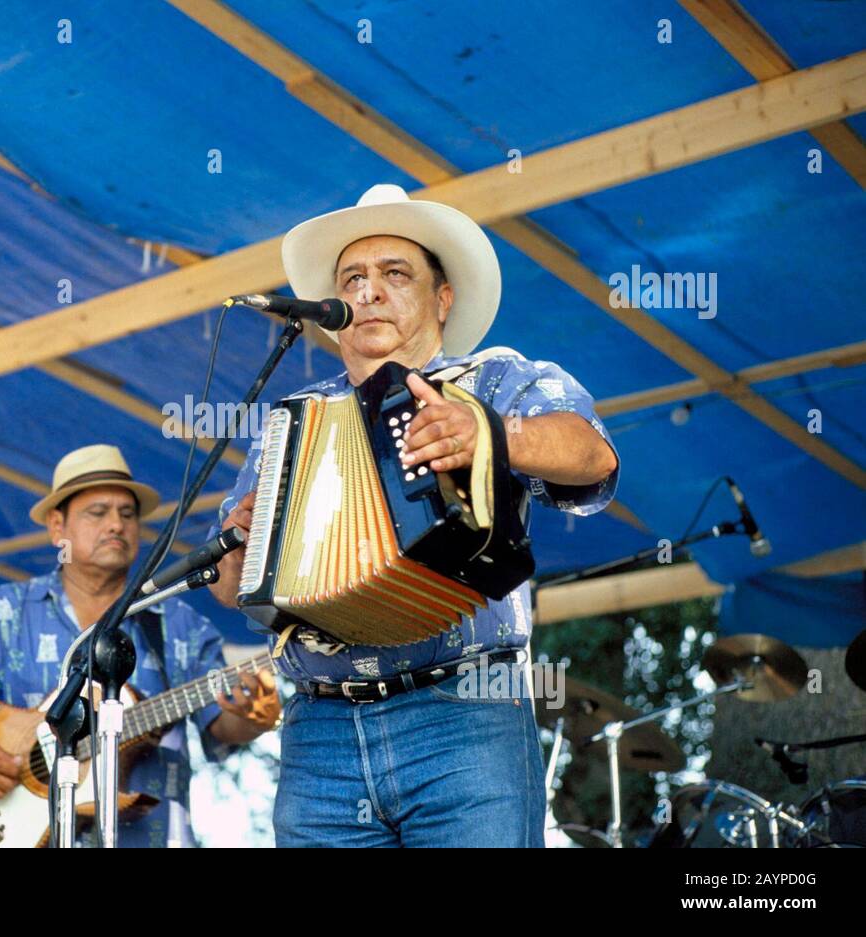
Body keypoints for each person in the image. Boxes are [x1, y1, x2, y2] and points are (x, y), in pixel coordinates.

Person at [210, 184, 620, 847]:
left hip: (464, 716)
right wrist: (242, 544)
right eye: (353, 278)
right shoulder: (292, 422)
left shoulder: (491, 377)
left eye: (394, 273)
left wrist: (490, 433)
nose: (369, 291)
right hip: (318, 734)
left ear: (443, 297)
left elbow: (592, 454)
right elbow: (232, 587)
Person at [0, 444, 280, 847]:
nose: (116, 525)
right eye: (98, 513)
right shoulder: (8, 611)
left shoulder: (180, 625)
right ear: (58, 527)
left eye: (127, 514)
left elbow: (224, 726)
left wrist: (254, 716)